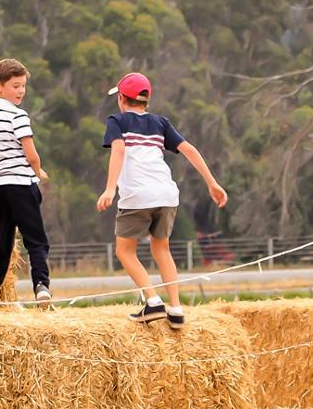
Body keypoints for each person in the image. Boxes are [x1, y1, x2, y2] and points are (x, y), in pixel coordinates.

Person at [96, 72, 227, 328]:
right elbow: (189, 149)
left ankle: (153, 300)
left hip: (137, 195)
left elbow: (119, 151)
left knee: (125, 251)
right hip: (166, 194)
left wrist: (110, 189)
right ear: (146, 100)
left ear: (122, 98)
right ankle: (176, 309)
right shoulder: (161, 123)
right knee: (162, 249)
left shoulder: (117, 121)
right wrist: (212, 182)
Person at [0, 59, 52, 303]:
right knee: (35, 239)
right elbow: (31, 154)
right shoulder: (18, 115)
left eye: (23, 86)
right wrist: (39, 172)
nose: (21, 91)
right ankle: (41, 285)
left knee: (2, 243)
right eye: (16, 86)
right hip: (21, 184)